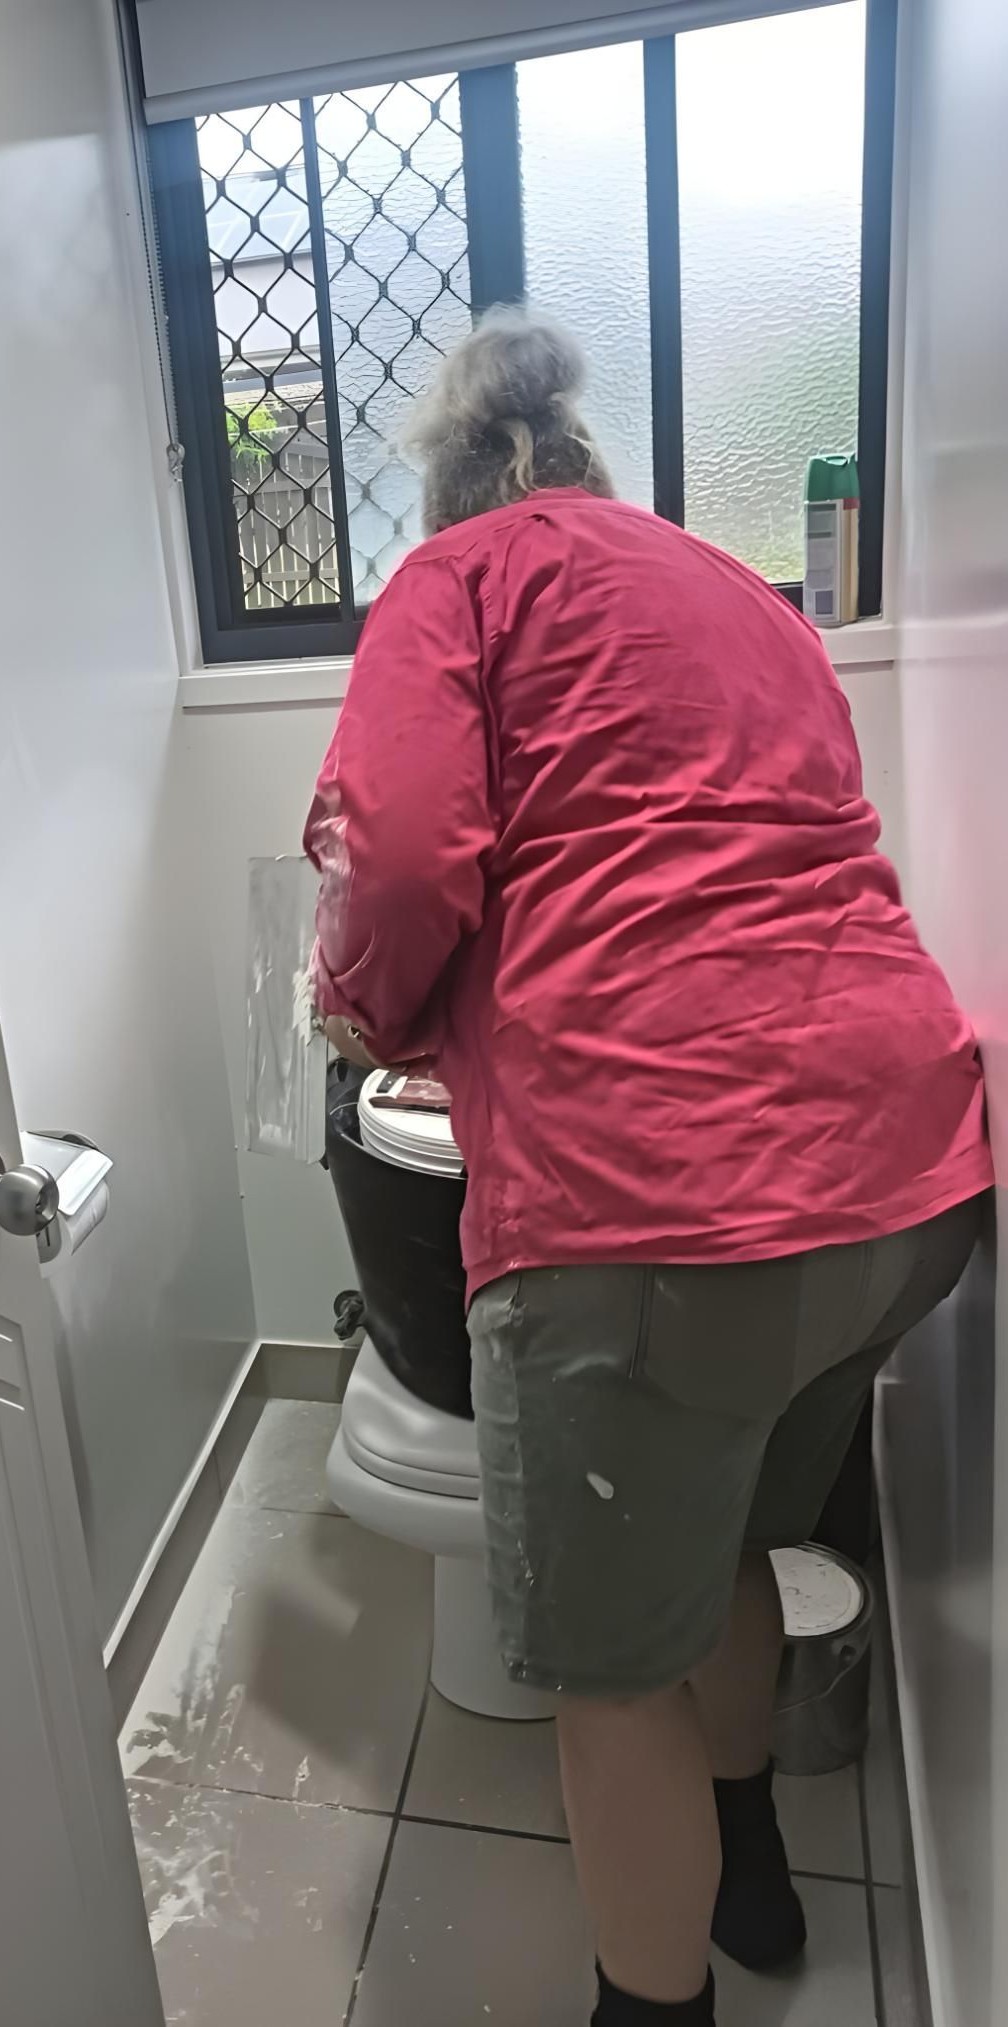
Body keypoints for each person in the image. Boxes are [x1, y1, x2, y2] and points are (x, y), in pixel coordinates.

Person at [306, 307, 993, 2027]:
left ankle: (652, 2002)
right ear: (598, 479)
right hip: (906, 1165)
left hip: (658, 1195)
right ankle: (749, 1864)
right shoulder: (745, 598)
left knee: (608, 1682)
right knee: (743, 1535)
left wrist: (361, 1012)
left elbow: (391, 859)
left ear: (453, 499)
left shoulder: (453, 587)